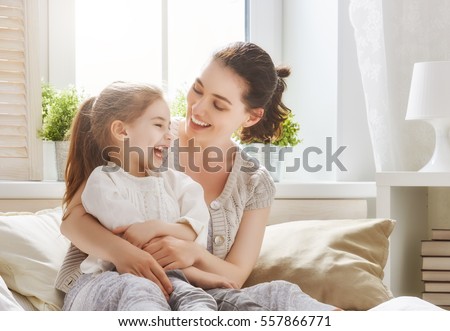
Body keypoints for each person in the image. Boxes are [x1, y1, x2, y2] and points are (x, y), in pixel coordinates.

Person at [56, 41, 338, 311]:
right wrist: (126, 254)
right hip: (108, 282)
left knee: (280, 294)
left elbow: (235, 275)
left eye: (219, 104)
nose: (198, 108)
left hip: (192, 294)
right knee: (141, 292)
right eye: (198, 89)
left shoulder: (254, 182)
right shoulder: (150, 138)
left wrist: (194, 254)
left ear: (251, 117)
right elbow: (72, 221)